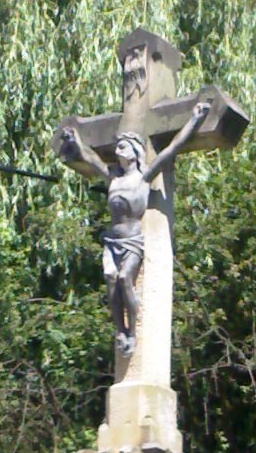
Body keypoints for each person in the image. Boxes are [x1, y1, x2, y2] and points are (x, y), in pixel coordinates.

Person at [56, 98, 211, 355]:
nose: (118, 148)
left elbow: (172, 148)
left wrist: (195, 119)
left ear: (135, 152)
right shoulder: (113, 178)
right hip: (113, 241)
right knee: (110, 278)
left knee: (124, 277)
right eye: (118, 145)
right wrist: (75, 141)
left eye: (124, 145)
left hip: (132, 241)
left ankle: (132, 332)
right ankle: (120, 330)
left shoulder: (144, 177)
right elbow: (91, 158)